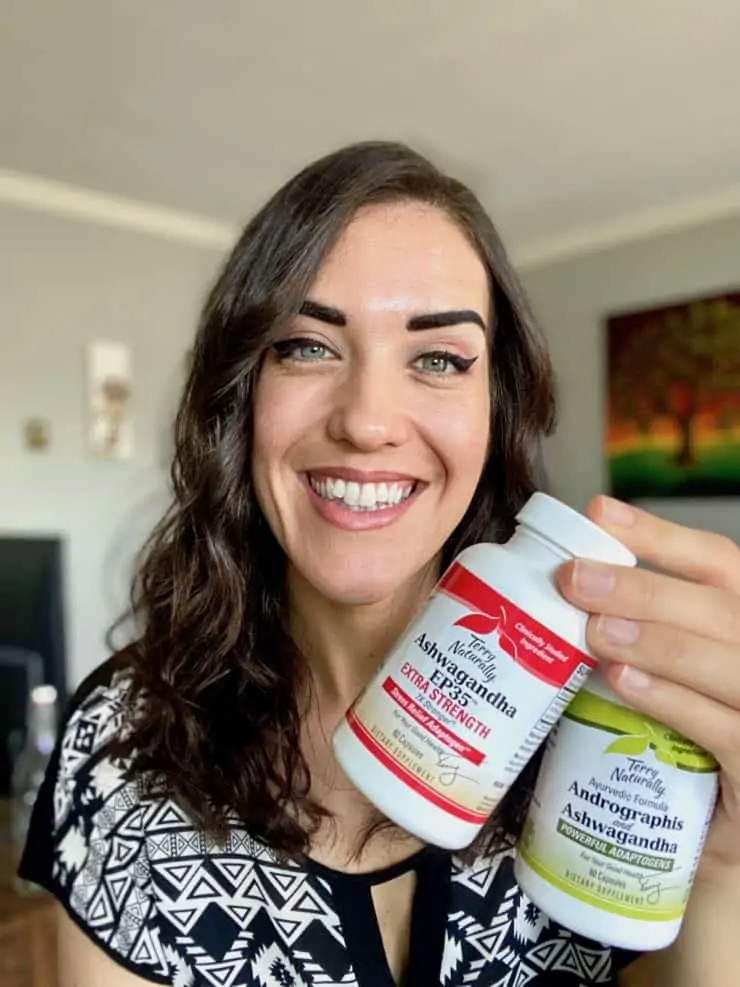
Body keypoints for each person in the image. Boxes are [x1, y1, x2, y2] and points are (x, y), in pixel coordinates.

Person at [19, 142, 740, 987]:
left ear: (495, 409)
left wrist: (724, 868)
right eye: (306, 345)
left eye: (438, 358)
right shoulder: (124, 739)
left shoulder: (617, 727)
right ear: (241, 392)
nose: (367, 421)